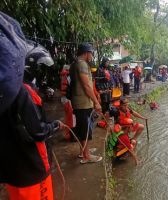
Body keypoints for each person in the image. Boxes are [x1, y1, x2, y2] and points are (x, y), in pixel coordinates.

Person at [0, 13, 65, 199]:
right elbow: (36, 132)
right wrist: (54, 126)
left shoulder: (4, 91)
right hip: (32, 170)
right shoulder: (23, 92)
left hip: (12, 173)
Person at [69, 43, 102, 164]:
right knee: (85, 130)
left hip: (80, 102)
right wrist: (96, 102)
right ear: (86, 53)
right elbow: (86, 86)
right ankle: (87, 156)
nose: (92, 56)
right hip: (83, 103)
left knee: (82, 128)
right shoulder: (82, 64)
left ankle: (83, 151)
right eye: (91, 53)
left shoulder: (75, 63)